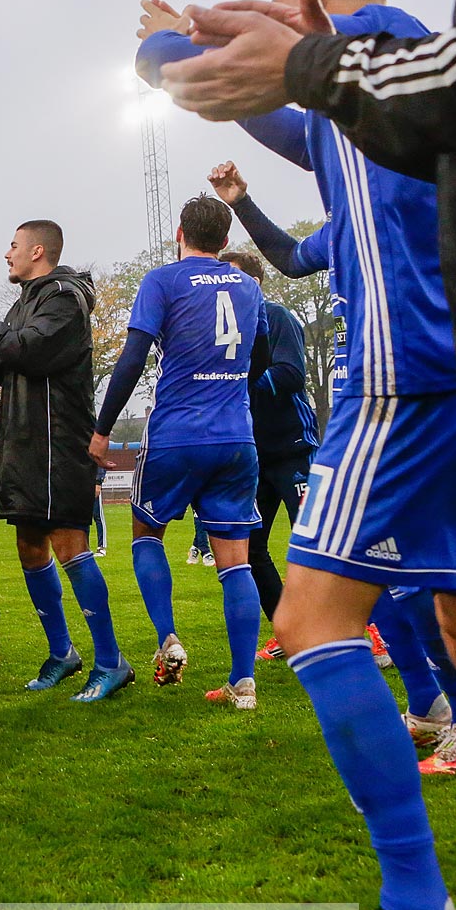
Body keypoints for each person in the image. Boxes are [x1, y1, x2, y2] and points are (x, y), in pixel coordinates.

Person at [138, 0, 456, 910]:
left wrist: (171, 37)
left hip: (402, 388)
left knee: (310, 622)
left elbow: (185, 74)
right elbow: (281, 147)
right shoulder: (426, 75)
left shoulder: (354, 68)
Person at [90, 196, 268, 709]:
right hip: (236, 436)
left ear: (178, 233)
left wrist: (102, 430)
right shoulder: (249, 288)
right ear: (226, 241)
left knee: (147, 535)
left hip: (176, 434)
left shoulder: (163, 281)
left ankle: (168, 638)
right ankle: (243, 682)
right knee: (236, 562)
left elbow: (131, 359)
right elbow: (255, 361)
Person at [0, 221, 130, 701]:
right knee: (31, 547)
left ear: (37, 249)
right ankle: (62, 653)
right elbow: (2, 361)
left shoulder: (63, 297)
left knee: (69, 544)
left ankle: (112, 662)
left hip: (58, 444)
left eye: (12, 245)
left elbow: (23, 350)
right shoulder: (27, 299)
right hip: (26, 444)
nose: (5, 253)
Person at [217, 248, 316, 658]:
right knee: (250, 546)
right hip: (253, 455)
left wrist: (240, 384)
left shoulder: (277, 317)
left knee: (315, 543)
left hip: (292, 449)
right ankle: (289, 632)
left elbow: (292, 373)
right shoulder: (226, 331)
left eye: (233, 277)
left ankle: (373, 630)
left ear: (255, 283)